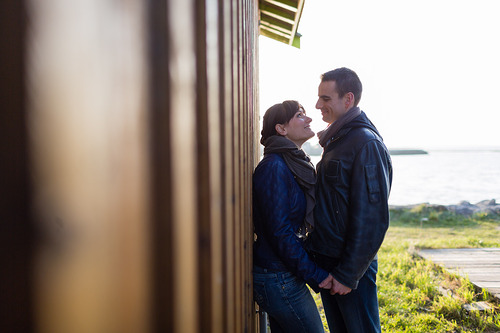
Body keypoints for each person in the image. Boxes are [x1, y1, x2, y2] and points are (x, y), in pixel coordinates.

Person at [305, 67, 393, 333]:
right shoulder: (339, 139)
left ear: (348, 99)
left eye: (325, 98)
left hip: (349, 270)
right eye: (318, 98)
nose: (318, 105)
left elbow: (373, 218)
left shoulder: (365, 143)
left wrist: (347, 274)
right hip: (332, 264)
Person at [253, 100, 333, 333]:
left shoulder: (291, 163)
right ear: (281, 129)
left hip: (283, 272)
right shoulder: (274, 168)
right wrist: (315, 274)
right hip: (277, 276)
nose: (309, 119)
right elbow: (280, 232)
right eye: (300, 115)